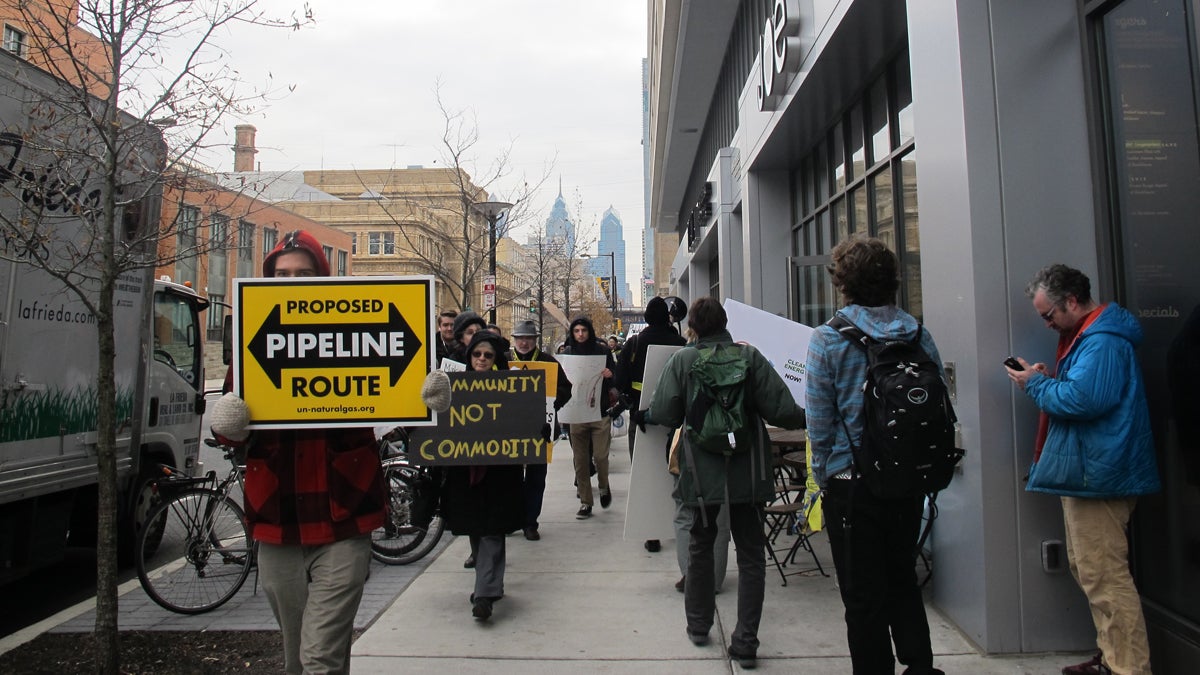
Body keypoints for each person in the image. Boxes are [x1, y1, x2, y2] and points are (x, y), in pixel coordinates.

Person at [209, 230, 385, 675]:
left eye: (303, 274)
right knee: (299, 659)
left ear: (322, 279)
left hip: (344, 516)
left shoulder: (356, 336)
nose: (291, 282)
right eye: (281, 274)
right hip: (278, 521)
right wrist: (228, 424)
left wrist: (428, 399)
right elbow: (235, 435)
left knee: (319, 658)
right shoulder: (251, 344)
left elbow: (395, 396)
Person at [1006, 264, 1159, 675]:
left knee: (1105, 577)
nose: (1048, 323)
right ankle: (1112, 659)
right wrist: (1046, 380)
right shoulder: (1089, 337)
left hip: (1101, 474)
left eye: (1048, 315)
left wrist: (1034, 385)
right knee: (1091, 571)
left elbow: (1083, 402)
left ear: (1071, 301)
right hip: (1092, 471)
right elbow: (1085, 393)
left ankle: (1128, 668)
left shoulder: (1102, 341)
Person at [640, 296, 806, 669]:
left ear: (693, 327)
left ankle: (698, 625)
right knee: (750, 557)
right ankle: (746, 641)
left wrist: (646, 413)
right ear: (726, 323)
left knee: (700, 546)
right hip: (749, 474)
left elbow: (665, 412)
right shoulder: (750, 358)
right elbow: (783, 411)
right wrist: (810, 416)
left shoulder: (683, 361)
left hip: (700, 474)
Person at [805, 235, 944, 675]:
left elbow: (820, 423)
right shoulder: (919, 334)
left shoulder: (827, 340)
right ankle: (920, 667)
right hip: (907, 478)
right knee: (902, 576)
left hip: (852, 484)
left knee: (862, 596)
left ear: (843, 284)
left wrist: (822, 476)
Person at [439, 330, 527, 621]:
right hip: (466, 474)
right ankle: (491, 583)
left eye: (488, 355)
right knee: (477, 529)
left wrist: (536, 431)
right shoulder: (453, 387)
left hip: (499, 475)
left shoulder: (513, 389)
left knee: (492, 530)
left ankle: (484, 594)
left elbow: (526, 424)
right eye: (477, 354)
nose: (481, 359)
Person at [615, 297, 687, 555]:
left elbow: (620, 381)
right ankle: (678, 524)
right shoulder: (680, 344)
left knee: (643, 475)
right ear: (668, 317)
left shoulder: (634, 344)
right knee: (675, 473)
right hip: (675, 420)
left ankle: (651, 533)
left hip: (641, 417)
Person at [509, 319, 572, 541]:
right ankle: (513, 518)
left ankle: (530, 522)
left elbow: (566, 388)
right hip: (511, 431)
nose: (524, 343)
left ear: (535, 341)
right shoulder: (505, 362)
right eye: (520, 339)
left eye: (528, 339)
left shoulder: (548, 363)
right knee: (511, 478)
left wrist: (554, 402)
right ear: (514, 340)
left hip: (540, 430)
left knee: (536, 478)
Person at [562, 315, 618, 519]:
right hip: (576, 414)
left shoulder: (602, 351)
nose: (580, 334)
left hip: (599, 411)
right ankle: (586, 502)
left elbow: (616, 377)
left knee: (601, 457)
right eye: (576, 331)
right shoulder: (568, 353)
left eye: (583, 330)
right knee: (580, 461)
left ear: (589, 331)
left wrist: (610, 375)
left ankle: (604, 486)